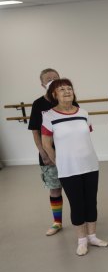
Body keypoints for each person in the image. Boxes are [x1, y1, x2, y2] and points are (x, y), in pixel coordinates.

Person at [41, 79, 108, 256]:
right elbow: (46, 143)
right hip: (68, 168)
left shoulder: (84, 113)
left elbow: (85, 135)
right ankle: (81, 240)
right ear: (54, 95)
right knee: (77, 204)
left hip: (90, 164)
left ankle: (92, 236)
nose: (67, 91)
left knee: (91, 202)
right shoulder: (49, 116)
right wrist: (58, 161)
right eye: (61, 89)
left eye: (69, 88)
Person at [28, 68, 67, 236]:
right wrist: (43, 153)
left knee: (75, 188)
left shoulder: (68, 100)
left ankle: (81, 218)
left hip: (69, 154)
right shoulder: (38, 104)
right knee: (55, 189)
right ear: (43, 84)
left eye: (55, 78)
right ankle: (57, 222)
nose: (52, 80)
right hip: (49, 156)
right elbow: (35, 131)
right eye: (48, 79)